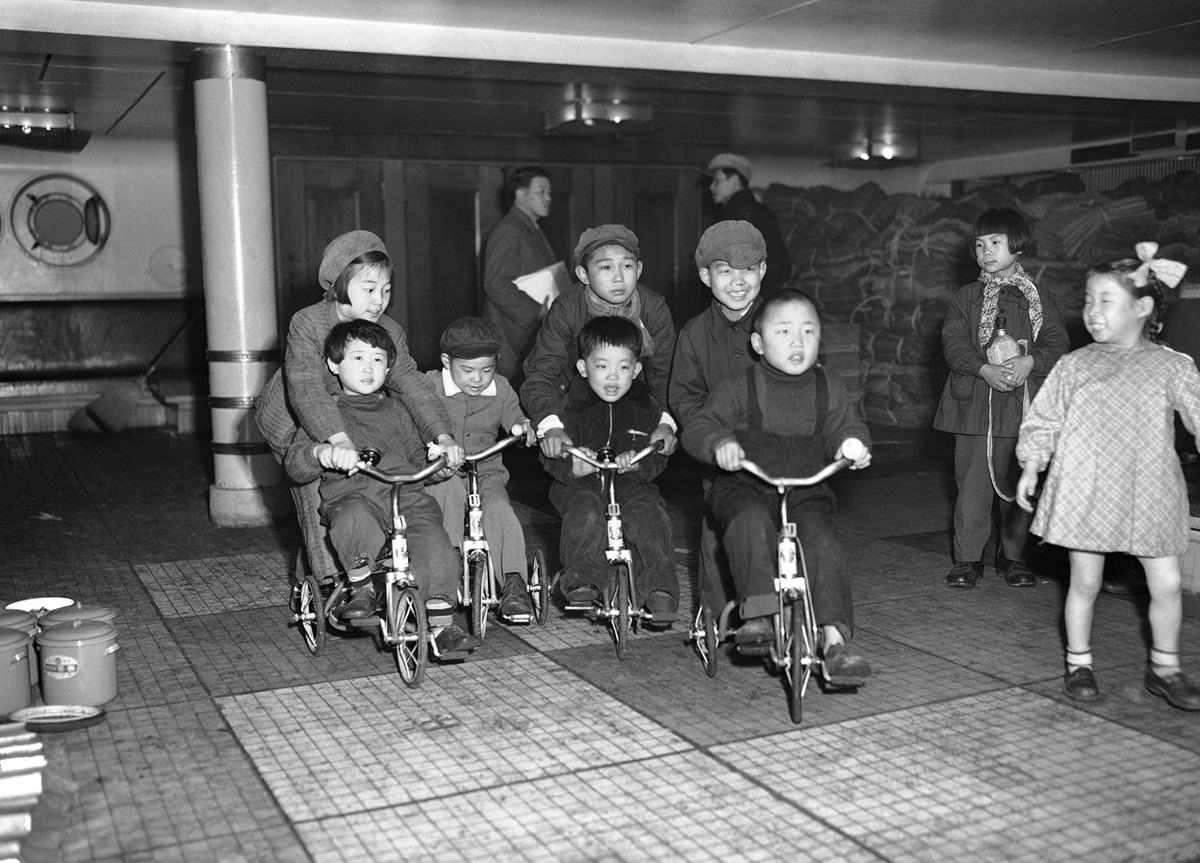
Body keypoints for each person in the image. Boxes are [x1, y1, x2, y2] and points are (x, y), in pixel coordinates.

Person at [1016, 245, 1200, 710]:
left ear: (1143, 308)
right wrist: (1033, 463)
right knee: (1084, 581)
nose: (1092, 312)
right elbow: (1044, 418)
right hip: (1087, 487)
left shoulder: (1172, 365)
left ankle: (1165, 667)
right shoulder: (1076, 364)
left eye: (1105, 301)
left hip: (1150, 488)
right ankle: (1079, 663)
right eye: (1087, 300)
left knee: (1165, 584)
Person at [681, 289, 873, 684]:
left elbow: (848, 427)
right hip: (744, 487)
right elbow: (700, 425)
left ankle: (834, 641)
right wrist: (720, 445)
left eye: (809, 331)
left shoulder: (828, 387)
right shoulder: (739, 386)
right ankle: (759, 615)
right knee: (749, 522)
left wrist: (854, 447)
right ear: (758, 342)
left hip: (805, 491)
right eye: (783, 331)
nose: (798, 342)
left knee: (822, 544)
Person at [283, 319, 478, 654]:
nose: (368, 368)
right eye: (357, 358)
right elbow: (296, 464)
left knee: (437, 546)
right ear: (334, 364)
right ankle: (362, 586)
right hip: (353, 493)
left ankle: (442, 624)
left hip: (405, 496)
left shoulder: (398, 410)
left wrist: (439, 468)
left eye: (377, 360)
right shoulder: (326, 414)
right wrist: (323, 451)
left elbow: (418, 461)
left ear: (389, 368)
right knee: (354, 518)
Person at [932, 208, 1069, 589]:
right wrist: (982, 368)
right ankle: (967, 559)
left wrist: (1031, 361)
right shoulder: (967, 297)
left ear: (1018, 246)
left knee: (1019, 484)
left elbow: (1057, 343)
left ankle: (1015, 557)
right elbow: (953, 343)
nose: (985, 251)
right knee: (971, 486)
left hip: (1022, 408)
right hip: (973, 407)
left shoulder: (1039, 297)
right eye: (979, 244)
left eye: (995, 242)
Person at [256, 229, 464, 470]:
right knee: (319, 499)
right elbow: (306, 389)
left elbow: (411, 385)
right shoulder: (308, 322)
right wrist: (339, 440)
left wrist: (443, 437)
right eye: (369, 289)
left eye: (386, 290)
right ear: (340, 284)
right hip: (294, 423)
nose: (379, 301)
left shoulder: (389, 330)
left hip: (352, 419)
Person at [540, 316, 679, 624]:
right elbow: (550, 455)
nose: (613, 377)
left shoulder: (646, 407)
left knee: (650, 515)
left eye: (624, 367)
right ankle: (581, 580)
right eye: (602, 366)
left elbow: (660, 451)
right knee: (586, 511)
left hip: (630, 484)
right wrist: (569, 464)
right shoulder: (569, 407)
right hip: (580, 485)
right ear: (582, 368)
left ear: (637, 370)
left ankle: (659, 590)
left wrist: (641, 461)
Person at [669, 220, 769, 627]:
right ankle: (716, 617)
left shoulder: (784, 323)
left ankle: (789, 610)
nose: (738, 280)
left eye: (748, 268)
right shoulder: (693, 335)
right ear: (705, 276)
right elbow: (685, 398)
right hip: (722, 459)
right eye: (725, 270)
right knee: (716, 533)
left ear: (763, 270)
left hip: (780, 454)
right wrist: (712, 441)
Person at [521, 223, 677, 460]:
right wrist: (551, 425)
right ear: (583, 274)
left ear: (639, 269)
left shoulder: (653, 309)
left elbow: (666, 375)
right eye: (605, 267)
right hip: (575, 411)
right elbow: (540, 374)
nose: (618, 277)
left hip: (635, 411)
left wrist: (665, 422)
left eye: (627, 265)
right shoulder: (567, 309)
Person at [423, 316, 539, 624]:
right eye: (468, 370)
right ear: (447, 361)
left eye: (487, 370)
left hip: (486, 467)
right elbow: (415, 414)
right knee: (446, 495)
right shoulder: (431, 386)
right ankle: (446, 567)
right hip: (443, 468)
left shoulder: (499, 389)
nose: (478, 379)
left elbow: (514, 414)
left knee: (499, 508)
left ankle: (514, 582)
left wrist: (522, 426)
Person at [482, 166, 559, 383]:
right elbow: (495, 284)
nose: (548, 198)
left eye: (549, 192)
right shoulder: (510, 229)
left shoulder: (528, 227)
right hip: (514, 333)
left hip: (527, 331)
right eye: (540, 192)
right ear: (520, 194)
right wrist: (538, 311)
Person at [704, 153, 793, 295]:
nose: (711, 187)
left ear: (734, 181)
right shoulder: (765, 211)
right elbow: (783, 264)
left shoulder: (732, 216)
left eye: (717, 181)